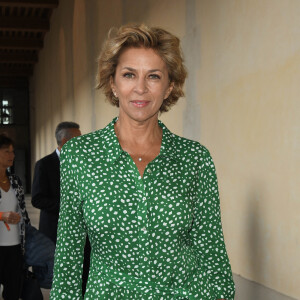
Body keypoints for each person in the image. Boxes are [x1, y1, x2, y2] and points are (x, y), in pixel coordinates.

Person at [50, 24, 235, 299]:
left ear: (169, 85)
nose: (140, 88)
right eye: (129, 75)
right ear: (113, 83)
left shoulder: (194, 159)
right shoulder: (80, 156)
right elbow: (69, 255)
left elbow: (211, 252)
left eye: (153, 76)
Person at [32, 121, 90, 295]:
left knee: (84, 271)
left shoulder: (84, 164)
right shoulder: (44, 165)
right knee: (62, 276)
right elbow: (37, 199)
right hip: (56, 232)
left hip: (83, 231)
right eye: (79, 139)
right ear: (65, 141)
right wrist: (68, 207)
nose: (83, 143)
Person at [0, 134, 31, 300]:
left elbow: (23, 213)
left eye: (12, 152)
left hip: (15, 248)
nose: (12, 155)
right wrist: (1, 215)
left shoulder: (15, 181)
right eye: (6, 151)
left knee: (13, 292)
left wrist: (20, 219)